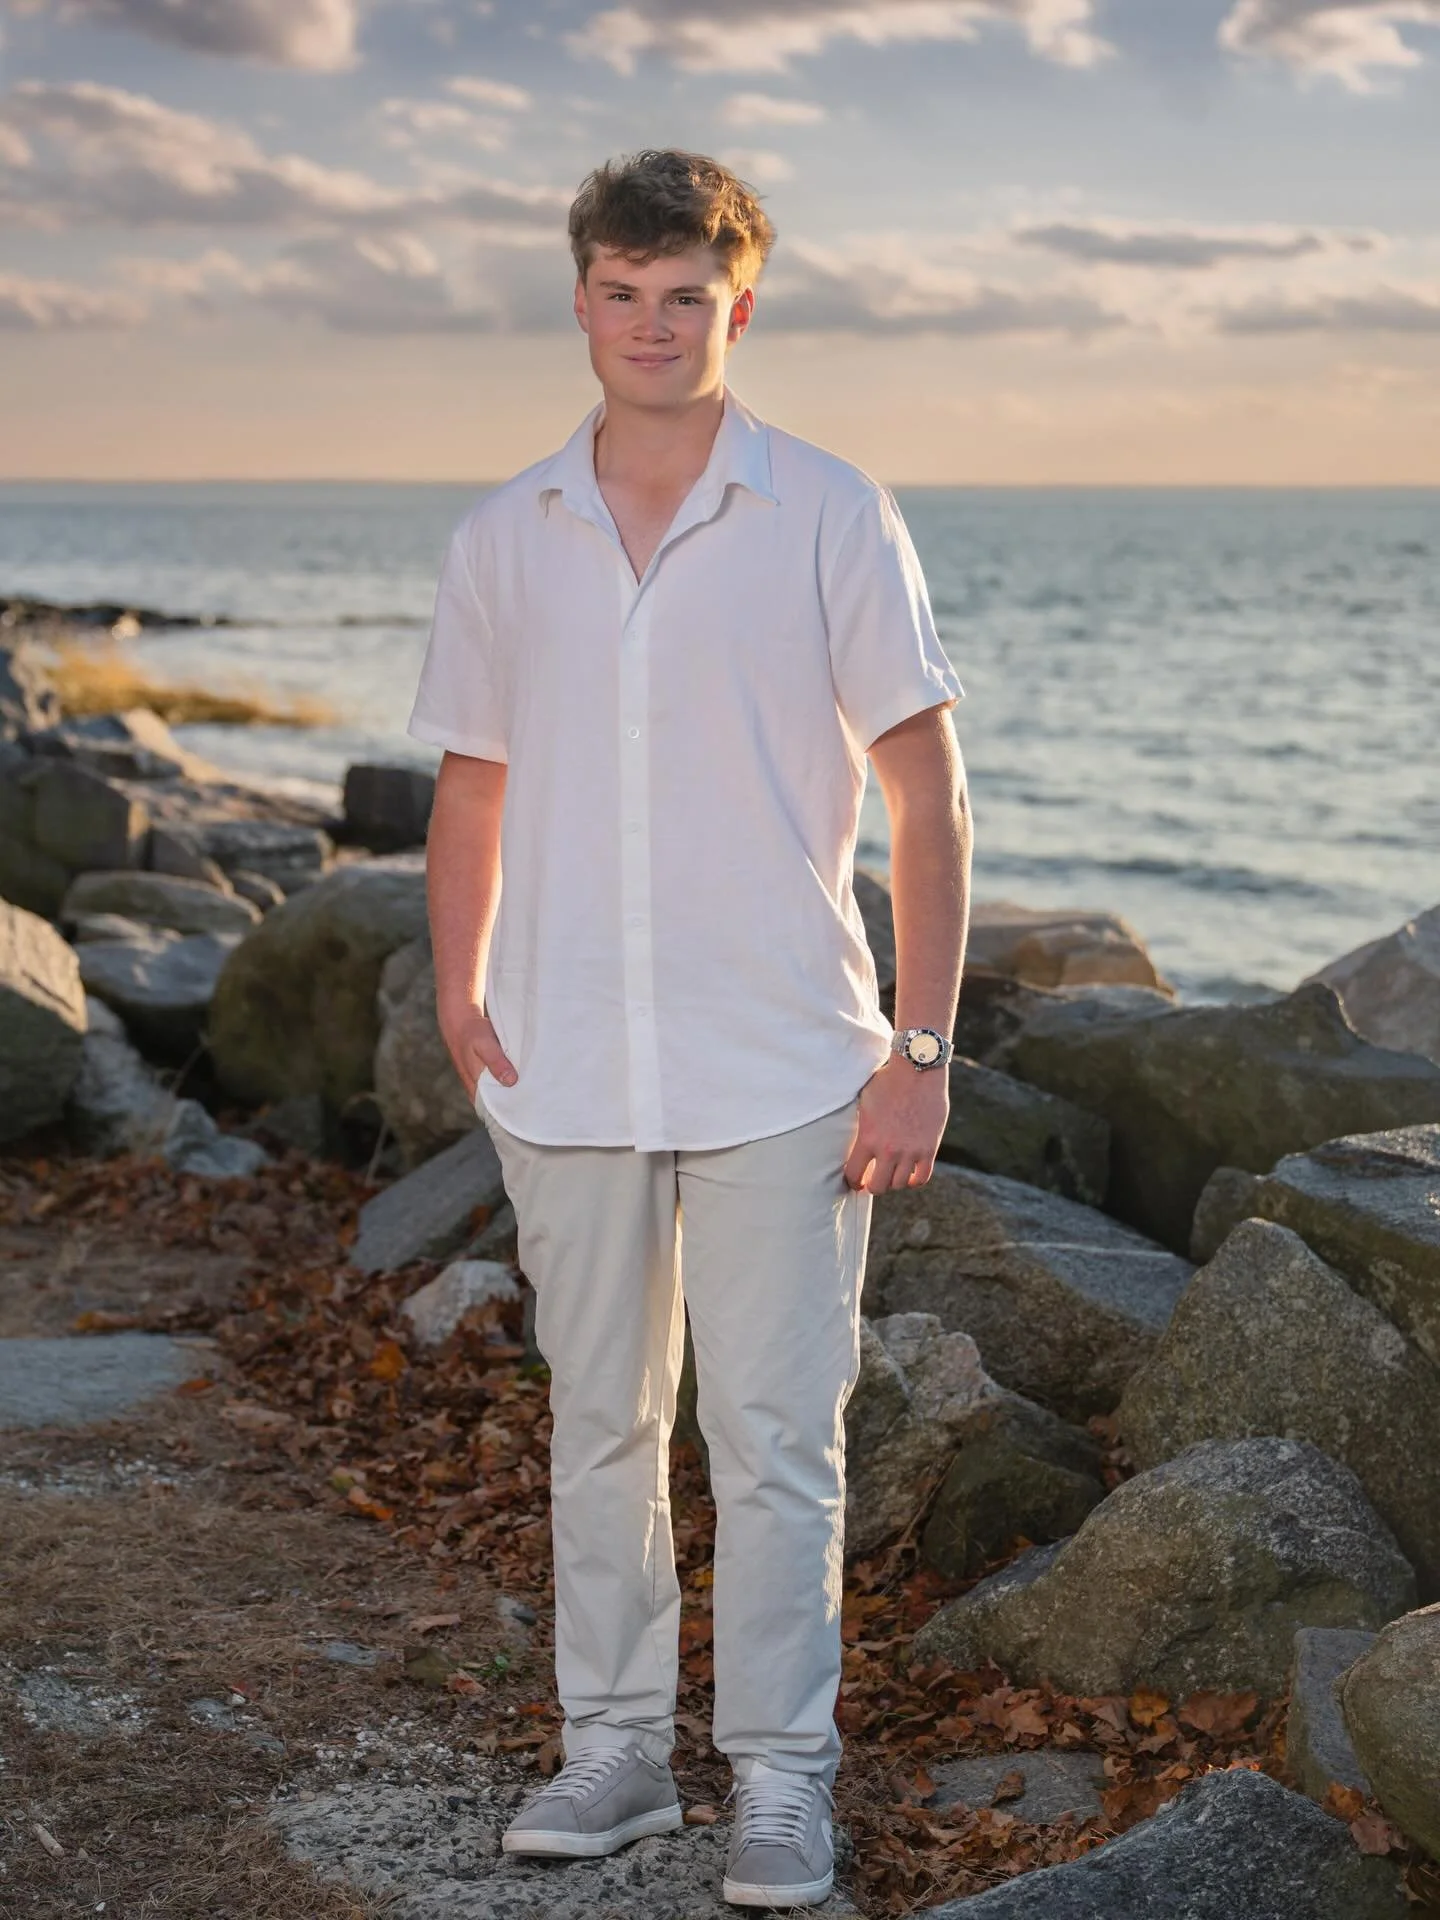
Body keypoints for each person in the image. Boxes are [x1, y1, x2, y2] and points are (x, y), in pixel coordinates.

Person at [407, 148, 971, 1911]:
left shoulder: (828, 511)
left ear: (741, 303)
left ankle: (784, 1785)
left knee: (780, 1439)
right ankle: (619, 1756)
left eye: (688, 295)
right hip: (566, 1058)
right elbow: (472, 788)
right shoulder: (506, 535)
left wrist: (924, 1049)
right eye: (622, 291)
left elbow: (929, 799)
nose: (653, 325)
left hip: (791, 1065)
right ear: (581, 299)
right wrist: (454, 984)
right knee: (600, 1424)